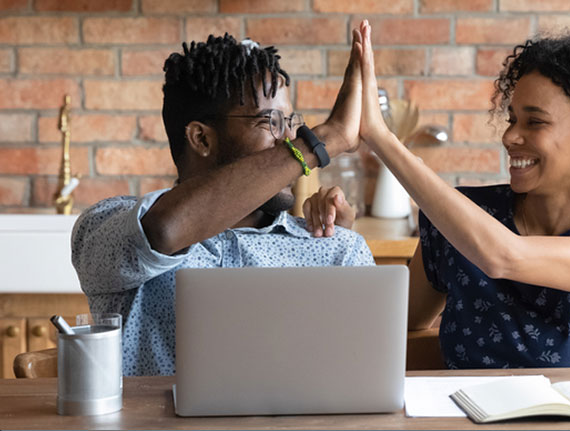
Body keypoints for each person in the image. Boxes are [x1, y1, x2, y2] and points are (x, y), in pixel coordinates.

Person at [306, 21, 570, 368]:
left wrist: (382, 137)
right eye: (512, 119)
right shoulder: (463, 219)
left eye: (534, 121)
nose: (510, 137)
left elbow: (503, 256)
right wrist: (340, 240)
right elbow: (391, 326)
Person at [71, 32, 369, 376]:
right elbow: (164, 230)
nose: (290, 141)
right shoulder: (105, 227)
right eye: (270, 122)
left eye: (289, 123)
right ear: (201, 138)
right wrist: (323, 141)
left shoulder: (335, 250)